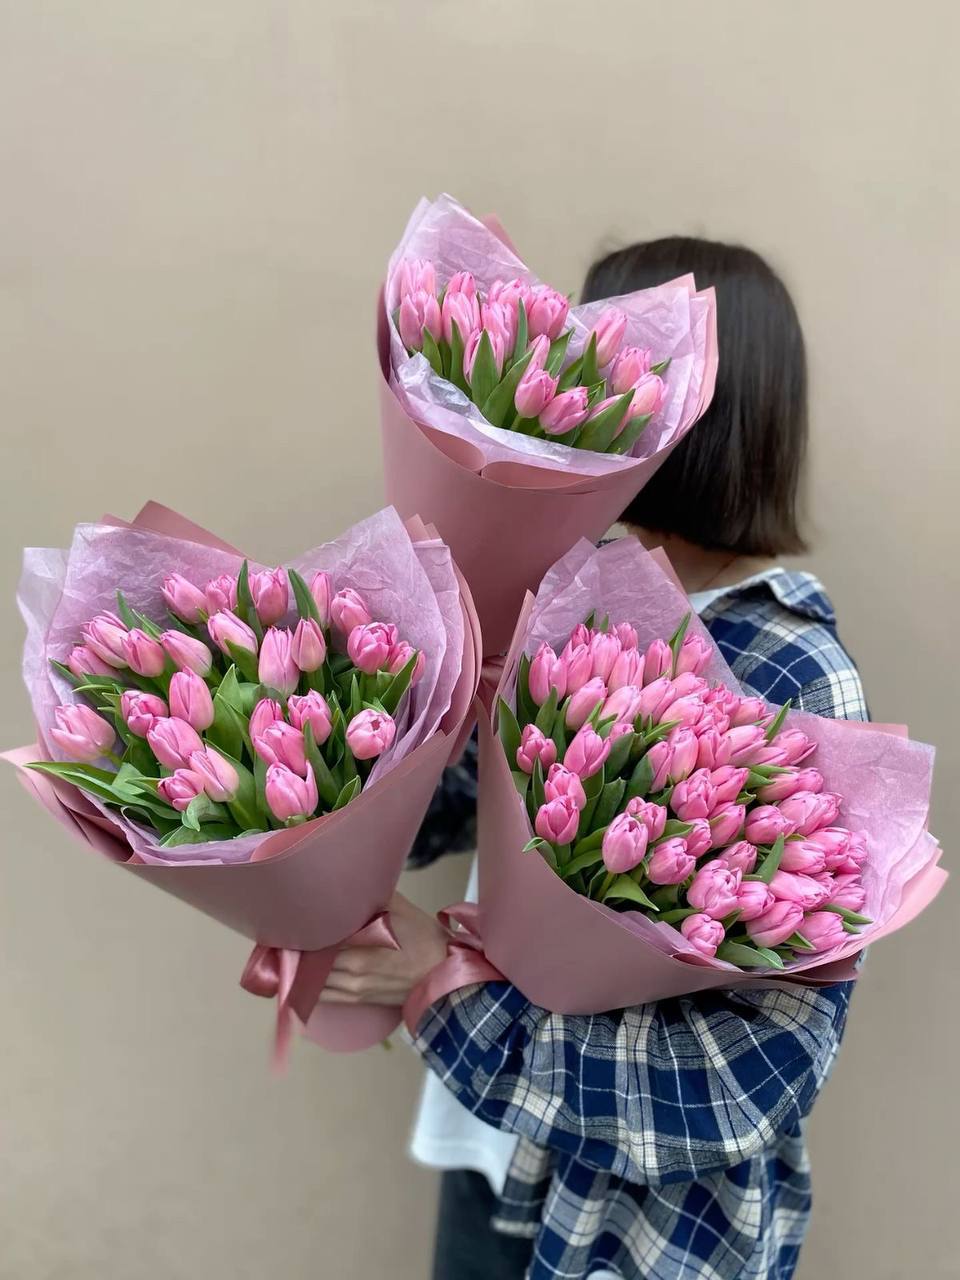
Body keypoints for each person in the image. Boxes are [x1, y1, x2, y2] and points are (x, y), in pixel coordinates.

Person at [319, 237, 867, 1280]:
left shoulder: (789, 676)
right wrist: (381, 705)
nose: (560, 392)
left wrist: (445, 986)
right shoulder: (563, 597)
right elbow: (444, 818)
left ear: (695, 411)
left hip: (631, 1227)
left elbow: (751, 1075)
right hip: (487, 1152)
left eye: (596, 361)